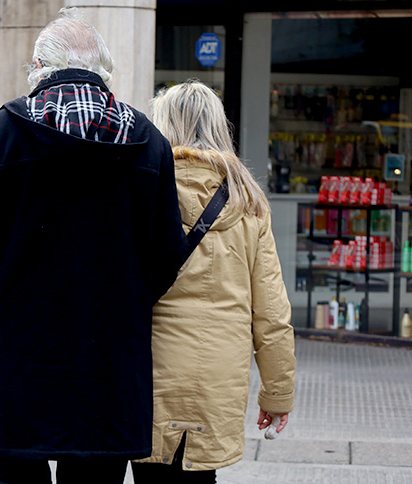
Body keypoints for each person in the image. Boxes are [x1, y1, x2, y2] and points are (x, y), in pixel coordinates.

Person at [0, 8, 186, 484]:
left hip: (14, 358)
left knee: (15, 474)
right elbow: (167, 254)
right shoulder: (150, 144)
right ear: (104, 71)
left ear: (38, 69)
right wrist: (126, 305)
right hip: (109, 364)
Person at [130, 80, 296, 483]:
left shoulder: (141, 187)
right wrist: (277, 394)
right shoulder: (248, 201)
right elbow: (271, 314)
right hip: (217, 377)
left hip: (147, 372)